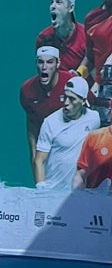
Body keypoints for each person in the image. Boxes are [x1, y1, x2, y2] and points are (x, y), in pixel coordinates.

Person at [34, 75, 100, 189]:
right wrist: (41, 187)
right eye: (65, 97)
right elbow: (39, 160)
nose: (66, 103)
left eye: (72, 99)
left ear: (83, 101)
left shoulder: (94, 119)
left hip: (78, 193)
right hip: (52, 190)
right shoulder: (50, 122)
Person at [20, 46, 68, 174]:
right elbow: (32, 127)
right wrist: (35, 158)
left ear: (58, 64)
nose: (44, 67)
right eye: (40, 62)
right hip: (46, 147)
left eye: (49, 62)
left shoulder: (71, 83)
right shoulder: (27, 90)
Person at [36, 0, 87, 75]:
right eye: (51, 2)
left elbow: (95, 71)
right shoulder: (43, 38)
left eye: (58, 2)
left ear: (70, 7)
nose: (53, 6)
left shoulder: (86, 36)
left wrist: (79, 76)